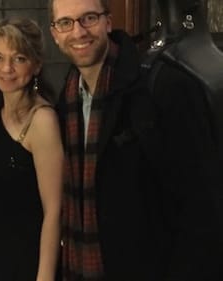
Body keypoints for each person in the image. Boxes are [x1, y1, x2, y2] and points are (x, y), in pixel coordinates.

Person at [48, 0, 223, 280]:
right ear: (55, 34)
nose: (78, 32)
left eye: (88, 18)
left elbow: (202, 210)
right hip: (80, 268)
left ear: (107, 22)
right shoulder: (65, 99)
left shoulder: (163, 87)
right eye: (66, 23)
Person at [0, 18, 63, 281]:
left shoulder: (43, 121)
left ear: (36, 65)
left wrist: (44, 277)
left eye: (19, 59)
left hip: (26, 262)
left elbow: (54, 211)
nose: (6, 69)